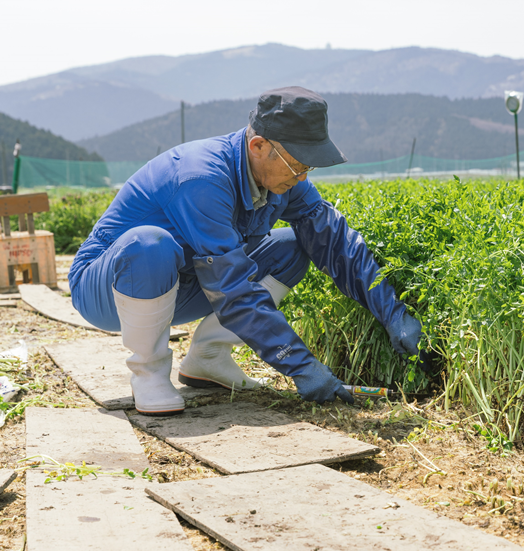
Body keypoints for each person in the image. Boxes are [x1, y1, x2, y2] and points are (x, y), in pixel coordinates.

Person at [68, 87, 424, 416]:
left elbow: (334, 240)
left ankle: (208, 356)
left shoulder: (283, 179)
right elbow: (233, 287)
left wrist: (393, 313)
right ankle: (149, 372)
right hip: (110, 287)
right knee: (150, 243)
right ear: (257, 146)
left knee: (292, 246)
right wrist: (301, 366)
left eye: (308, 165)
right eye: (296, 162)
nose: (302, 176)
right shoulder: (201, 178)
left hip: (184, 283)